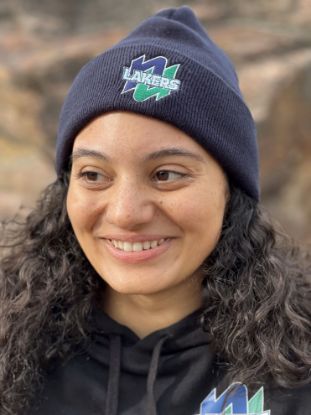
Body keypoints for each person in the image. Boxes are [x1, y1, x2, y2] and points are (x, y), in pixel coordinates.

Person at [0, 6, 310, 415]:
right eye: (94, 174)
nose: (127, 213)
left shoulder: (298, 370)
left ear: (231, 192)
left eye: (166, 174)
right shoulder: (11, 348)